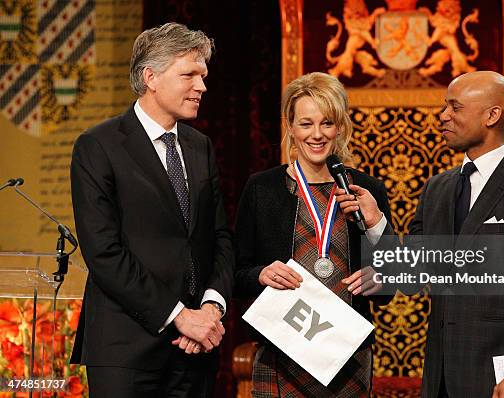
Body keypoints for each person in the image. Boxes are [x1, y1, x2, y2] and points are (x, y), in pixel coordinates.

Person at [70, 23, 233, 397]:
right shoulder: (98, 146)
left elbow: (219, 237)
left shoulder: (200, 146)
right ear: (151, 77)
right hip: (126, 352)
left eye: (203, 76)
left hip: (194, 351)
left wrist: (210, 308)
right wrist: (180, 317)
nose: (202, 87)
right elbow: (104, 253)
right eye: (189, 74)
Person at [234, 72, 394, 397]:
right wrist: (260, 274)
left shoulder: (367, 189)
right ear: (290, 127)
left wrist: (380, 270)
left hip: (347, 359)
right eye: (306, 124)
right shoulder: (262, 189)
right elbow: (234, 274)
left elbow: (389, 286)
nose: (317, 135)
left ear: (340, 127)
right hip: (281, 356)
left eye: (327, 123)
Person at [409, 71, 504, 398]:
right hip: (439, 378)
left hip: (502, 378)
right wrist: (375, 221)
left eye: (455, 107)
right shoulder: (436, 188)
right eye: (444, 107)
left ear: (492, 116)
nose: (443, 116)